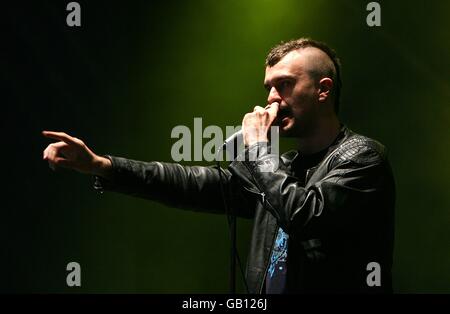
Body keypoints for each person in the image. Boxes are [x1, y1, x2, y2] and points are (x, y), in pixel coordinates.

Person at [42, 38, 395, 294]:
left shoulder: (361, 157)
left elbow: (304, 214)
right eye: (269, 88)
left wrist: (258, 148)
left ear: (323, 90)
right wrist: (103, 165)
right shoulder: (282, 167)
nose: (272, 98)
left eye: (285, 85)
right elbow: (195, 183)